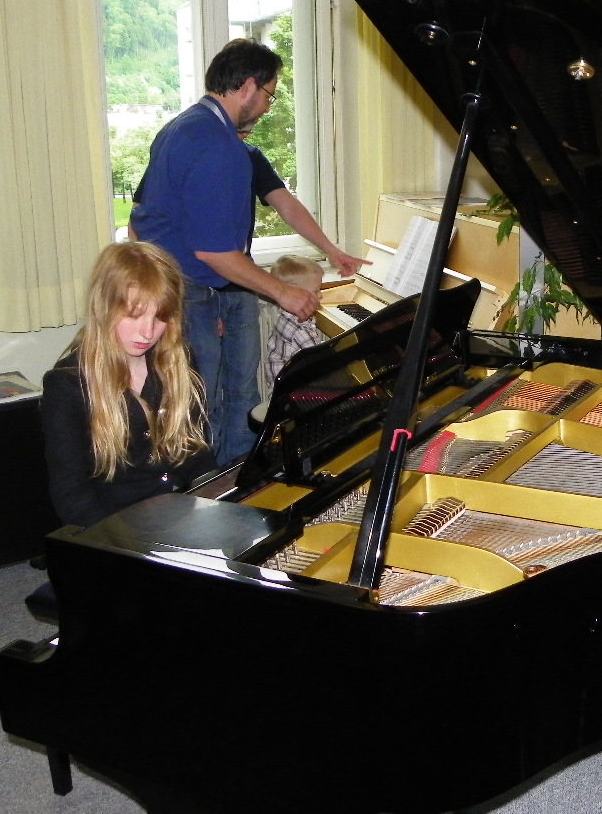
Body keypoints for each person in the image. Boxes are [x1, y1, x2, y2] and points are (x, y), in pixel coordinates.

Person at [130, 38, 365, 465]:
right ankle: (213, 482)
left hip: (209, 285)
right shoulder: (215, 145)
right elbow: (214, 254)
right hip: (193, 289)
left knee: (237, 393)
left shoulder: (185, 128)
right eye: (269, 95)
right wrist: (283, 291)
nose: (267, 107)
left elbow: (279, 205)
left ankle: (238, 474)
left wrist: (330, 250)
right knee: (201, 399)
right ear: (249, 86)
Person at [41, 241, 216, 528]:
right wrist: (127, 543)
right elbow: (72, 496)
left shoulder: (177, 361)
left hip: (180, 516)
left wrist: (218, 505)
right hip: (115, 528)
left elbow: (197, 454)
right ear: (104, 307)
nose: (148, 332)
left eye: (160, 317)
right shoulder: (67, 385)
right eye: (134, 315)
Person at [264, 254, 326, 384]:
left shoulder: (284, 316)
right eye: (316, 291)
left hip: (281, 386)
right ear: (295, 294)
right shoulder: (301, 330)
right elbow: (319, 367)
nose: (320, 295)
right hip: (296, 390)